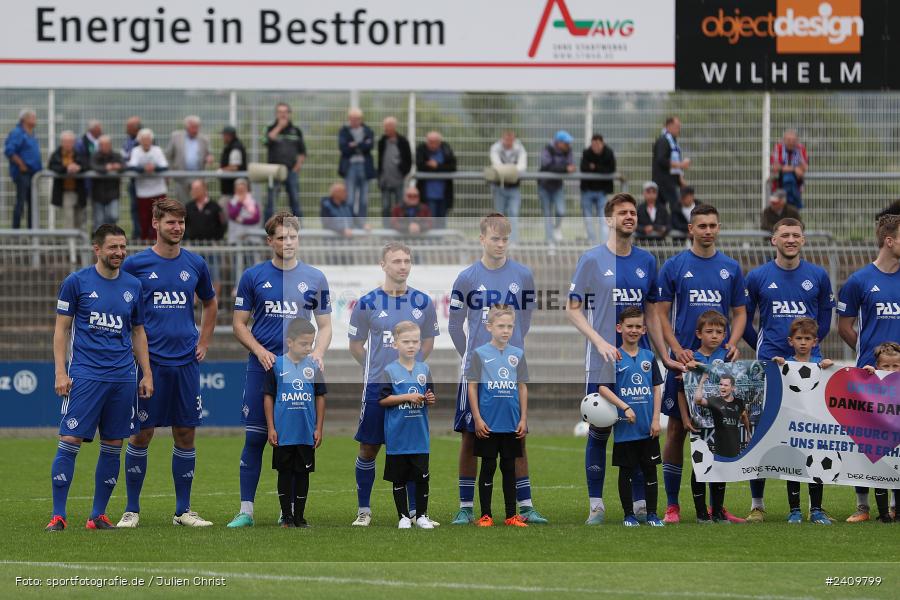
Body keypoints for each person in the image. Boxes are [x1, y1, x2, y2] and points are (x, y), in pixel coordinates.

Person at [566, 193, 674, 525]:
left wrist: (663, 355)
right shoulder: (591, 259)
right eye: (622, 212)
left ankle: (640, 505)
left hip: (637, 362)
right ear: (609, 219)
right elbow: (572, 308)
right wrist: (600, 341)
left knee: (639, 432)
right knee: (599, 431)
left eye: (633, 212)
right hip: (602, 362)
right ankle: (596, 506)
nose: (629, 216)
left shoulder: (647, 261)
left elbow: (652, 314)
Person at [116, 198, 217, 528]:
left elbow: (210, 303)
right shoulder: (136, 264)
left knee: (185, 433)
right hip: (151, 364)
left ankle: (183, 511)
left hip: (185, 362)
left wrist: (204, 341)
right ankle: (131, 510)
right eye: (171, 222)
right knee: (141, 434)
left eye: (181, 222)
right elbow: (121, 305)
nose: (177, 227)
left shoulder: (196, 264)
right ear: (155, 224)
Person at [227, 212, 332, 528]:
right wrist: (260, 351)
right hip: (263, 367)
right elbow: (238, 324)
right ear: (269, 240)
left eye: (293, 237)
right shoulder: (253, 276)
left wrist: (318, 353)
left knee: (296, 442)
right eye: (282, 237)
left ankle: (288, 510)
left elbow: (325, 326)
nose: (288, 242)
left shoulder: (315, 278)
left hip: (298, 372)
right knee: (256, 438)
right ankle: (246, 511)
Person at [46, 224, 152, 531]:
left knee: (113, 443)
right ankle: (58, 515)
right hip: (85, 375)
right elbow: (61, 329)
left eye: (123, 247)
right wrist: (60, 371)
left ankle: (98, 515)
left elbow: (138, 331)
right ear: (97, 249)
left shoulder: (133, 285)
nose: (119, 252)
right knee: (70, 439)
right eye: (113, 247)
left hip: (122, 377)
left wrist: (146, 373)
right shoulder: (76, 282)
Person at [449, 213, 545, 525]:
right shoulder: (466, 278)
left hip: (510, 371)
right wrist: (474, 359)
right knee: (470, 436)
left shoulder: (523, 275)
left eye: (505, 239)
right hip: (477, 373)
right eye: (494, 238)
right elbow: (454, 326)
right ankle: (466, 507)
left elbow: (525, 321)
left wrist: (506, 357)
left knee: (518, 434)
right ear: (482, 239)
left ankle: (525, 506)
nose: (500, 244)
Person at [657, 204, 747, 524]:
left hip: (718, 366)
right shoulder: (675, 266)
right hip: (685, 364)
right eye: (702, 226)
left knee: (720, 432)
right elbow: (661, 314)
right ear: (691, 229)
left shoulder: (730, 268)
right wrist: (676, 349)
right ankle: (672, 505)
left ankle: (716, 507)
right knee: (677, 430)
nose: (708, 230)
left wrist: (732, 342)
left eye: (713, 225)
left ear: (718, 228)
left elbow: (740, 313)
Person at [742, 217, 833, 522]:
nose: (791, 240)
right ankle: (757, 504)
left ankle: (814, 507)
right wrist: (763, 348)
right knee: (763, 433)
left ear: (803, 240)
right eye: (785, 235)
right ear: (774, 240)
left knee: (811, 435)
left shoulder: (818, 275)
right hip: (771, 366)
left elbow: (825, 319)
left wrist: (811, 348)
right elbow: (745, 319)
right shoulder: (758, 276)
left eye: (796, 235)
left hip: (809, 369)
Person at [349, 241, 439, 527]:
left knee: (410, 449)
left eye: (407, 261)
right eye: (397, 261)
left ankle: (414, 512)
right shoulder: (367, 302)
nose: (403, 266)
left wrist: (409, 372)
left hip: (410, 389)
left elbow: (428, 341)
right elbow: (355, 345)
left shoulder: (423, 302)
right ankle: (364, 510)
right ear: (383, 265)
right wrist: (380, 370)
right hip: (378, 387)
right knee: (369, 448)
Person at [837, 213, 900, 524]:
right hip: (869, 379)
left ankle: (895, 505)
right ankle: (862, 506)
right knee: (866, 443)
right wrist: (868, 357)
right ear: (889, 241)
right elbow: (844, 326)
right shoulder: (858, 281)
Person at [598, 306, 664, 527]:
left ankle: (652, 514)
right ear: (620, 328)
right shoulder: (613, 357)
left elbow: (656, 388)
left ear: (644, 330)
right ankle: (629, 515)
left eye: (638, 326)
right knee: (626, 472)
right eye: (629, 326)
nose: (633, 330)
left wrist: (656, 419)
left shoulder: (649, 357)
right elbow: (603, 388)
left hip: (648, 428)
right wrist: (624, 406)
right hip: (625, 429)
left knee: (650, 471)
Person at [466, 305, 529, 528]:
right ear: (489, 327)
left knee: (509, 468)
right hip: (488, 423)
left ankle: (511, 515)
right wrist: (477, 418)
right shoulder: (479, 354)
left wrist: (523, 419)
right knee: (488, 467)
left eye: (509, 326)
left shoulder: (517, 354)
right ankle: (486, 515)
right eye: (501, 326)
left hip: (511, 423)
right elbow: (472, 386)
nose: (505, 330)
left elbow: (522, 387)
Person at [770, 317, 834, 525]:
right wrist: (778, 367)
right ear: (791, 341)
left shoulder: (821, 364)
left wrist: (830, 368)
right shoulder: (785, 364)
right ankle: (794, 510)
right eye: (799, 338)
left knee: (818, 464)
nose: (803, 342)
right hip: (793, 426)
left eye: (807, 338)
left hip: (816, 426)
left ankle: (816, 510)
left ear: (815, 341)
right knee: (794, 466)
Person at [263, 318, 326, 528]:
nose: (308, 348)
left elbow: (320, 397)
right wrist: (271, 427)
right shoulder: (276, 365)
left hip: (305, 433)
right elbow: (268, 397)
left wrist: (318, 428)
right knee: (284, 473)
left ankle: (300, 517)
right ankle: (287, 517)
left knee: (303, 474)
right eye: (304, 344)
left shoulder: (314, 366)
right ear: (289, 342)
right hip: (284, 432)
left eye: (311, 344)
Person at [378, 321, 437, 529]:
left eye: (414, 341)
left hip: (419, 437)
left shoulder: (424, 369)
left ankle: (421, 516)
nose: (411, 345)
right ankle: (403, 516)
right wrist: (407, 397)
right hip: (398, 437)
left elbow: (429, 396)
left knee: (422, 478)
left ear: (419, 344)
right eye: (405, 341)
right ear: (395, 344)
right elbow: (383, 400)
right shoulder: (389, 370)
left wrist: (429, 399)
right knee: (399, 479)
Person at [681, 310, 731, 524]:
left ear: (725, 335)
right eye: (709, 331)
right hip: (699, 424)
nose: (714, 335)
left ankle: (717, 511)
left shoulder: (728, 357)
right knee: (700, 466)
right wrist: (685, 418)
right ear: (699, 334)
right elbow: (680, 391)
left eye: (719, 332)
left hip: (723, 424)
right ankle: (701, 512)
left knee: (720, 466)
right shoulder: (691, 359)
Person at [693, 372, 750, 523]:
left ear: (733, 388)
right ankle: (706, 513)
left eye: (726, 385)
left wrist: (749, 434)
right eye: (721, 384)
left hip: (731, 445)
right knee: (710, 474)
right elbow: (698, 400)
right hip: (715, 444)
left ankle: (717, 513)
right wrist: (702, 381)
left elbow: (744, 416)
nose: (722, 387)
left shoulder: (739, 403)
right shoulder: (715, 401)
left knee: (721, 477)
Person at [862, 342, 900, 522]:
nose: (890, 370)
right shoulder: (873, 380)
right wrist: (868, 374)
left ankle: (898, 513)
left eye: (895, 366)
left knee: (897, 474)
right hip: (878, 438)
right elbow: (859, 383)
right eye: (886, 366)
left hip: (897, 438)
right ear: (878, 366)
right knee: (880, 474)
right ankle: (883, 514)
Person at [185, 179, 226, 298]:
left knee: (214, 274)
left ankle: (215, 302)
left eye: (196, 188)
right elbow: (184, 224)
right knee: (192, 275)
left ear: (204, 189)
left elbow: (223, 224)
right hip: (194, 247)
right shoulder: (188, 207)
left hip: (211, 247)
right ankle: (193, 303)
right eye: (192, 189)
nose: (193, 191)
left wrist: (216, 239)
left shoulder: (215, 207)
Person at [265, 103, 306, 220]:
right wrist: (279, 127)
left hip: (291, 170)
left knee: (295, 200)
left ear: (289, 114)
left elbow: (302, 152)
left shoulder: (296, 131)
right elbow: (266, 141)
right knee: (271, 201)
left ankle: (298, 227)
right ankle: (268, 228)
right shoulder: (270, 128)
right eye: (280, 112)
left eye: (285, 112)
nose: (283, 114)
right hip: (274, 171)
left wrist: (297, 167)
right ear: (276, 114)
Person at [127, 128, 169, 240]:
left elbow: (164, 166)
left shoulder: (157, 150)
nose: (146, 142)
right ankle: (145, 244)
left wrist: (154, 168)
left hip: (158, 191)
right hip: (143, 192)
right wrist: (143, 169)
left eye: (148, 140)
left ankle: (159, 242)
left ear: (151, 140)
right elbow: (131, 166)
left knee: (159, 219)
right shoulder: (136, 151)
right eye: (144, 140)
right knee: (144, 221)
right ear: (139, 141)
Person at [338, 108, 376, 228]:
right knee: (350, 198)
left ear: (361, 119)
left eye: (357, 119)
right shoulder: (344, 131)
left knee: (364, 199)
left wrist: (354, 145)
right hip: (350, 167)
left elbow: (370, 146)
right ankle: (349, 224)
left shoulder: (368, 130)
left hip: (365, 167)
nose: (354, 121)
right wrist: (361, 145)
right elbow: (343, 148)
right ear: (349, 119)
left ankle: (362, 223)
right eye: (352, 119)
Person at [5, 108, 41, 229]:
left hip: (33, 174)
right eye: (33, 117)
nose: (35, 120)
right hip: (22, 173)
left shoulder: (32, 134)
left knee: (32, 204)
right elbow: (9, 151)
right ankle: (15, 233)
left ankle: (32, 232)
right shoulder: (18, 133)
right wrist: (21, 164)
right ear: (24, 119)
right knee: (20, 203)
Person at [489, 131, 527, 243]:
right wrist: (512, 170)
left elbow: (522, 167)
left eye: (511, 139)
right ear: (502, 138)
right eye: (506, 138)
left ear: (514, 139)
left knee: (513, 214)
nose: (508, 141)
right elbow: (497, 165)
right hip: (499, 187)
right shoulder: (495, 148)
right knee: (499, 215)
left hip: (514, 187)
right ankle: (498, 241)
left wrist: (506, 171)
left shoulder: (520, 148)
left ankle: (513, 242)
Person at [539, 130, 576, 245]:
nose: (568, 145)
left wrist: (565, 168)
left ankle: (557, 228)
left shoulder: (568, 150)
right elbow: (547, 166)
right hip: (544, 186)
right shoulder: (547, 150)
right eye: (566, 143)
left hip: (557, 186)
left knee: (561, 211)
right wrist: (564, 169)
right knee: (547, 214)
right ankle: (550, 242)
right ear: (559, 142)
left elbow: (571, 165)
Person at [166, 116, 212, 204]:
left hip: (198, 177)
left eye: (197, 127)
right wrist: (170, 170)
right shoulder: (176, 137)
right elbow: (168, 155)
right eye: (193, 127)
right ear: (186, 127)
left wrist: (209, 157)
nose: (195, 130)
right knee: (183, 204)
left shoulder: (204, 139)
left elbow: (209, 154)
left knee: (199, 203)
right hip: (181, 177)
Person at [48, 131, 89, 230]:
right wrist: (66, 169)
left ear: (74, 142)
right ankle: (70, 239)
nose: (68, 144)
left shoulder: (79, 154)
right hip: (65, 191)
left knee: (80, 219)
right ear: (61, 142)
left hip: (79, 191)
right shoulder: (56, 155)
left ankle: (80, 239)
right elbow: (52, 166)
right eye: (66, 142)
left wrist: (78, 168)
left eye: (70, 142)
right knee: (69, 218)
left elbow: (87, 165)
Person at [580, 134, 616, 245]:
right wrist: (601, 169)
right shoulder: (586, 153)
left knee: (604, 219)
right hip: (587, 190)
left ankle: (604, 245)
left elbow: (611, 169)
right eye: (593, 145)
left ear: (602, 143)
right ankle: (593, 243)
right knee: (588, 219)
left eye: (598, 144)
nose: (595, 147)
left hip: (602, 192)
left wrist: (595, 167)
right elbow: (584, 168)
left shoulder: (608, 153)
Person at [416, 131, 456, 229]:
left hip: (444, 194)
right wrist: (441, 168)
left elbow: (452, 167)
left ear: (440, 142)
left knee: (441, 221)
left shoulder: (446, 149)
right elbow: (420, 166)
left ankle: (440, 238)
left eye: (435, 142)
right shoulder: (421, 149)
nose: (432, 145)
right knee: (429, 222)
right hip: (427, 194)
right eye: (430, 142)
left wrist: (437, 166)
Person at [377, 116, 413, 229]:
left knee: (399, 206)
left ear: (394, 127)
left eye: (388, 126)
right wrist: (380, 176)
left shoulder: (403, 141)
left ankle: (399, 228)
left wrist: (404, 172)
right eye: (385, 126)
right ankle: (386, 229)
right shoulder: (382, 141)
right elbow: (380, 160)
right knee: (385, 206)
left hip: (398, 179)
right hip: (385, 179)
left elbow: (409, 160)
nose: (386, 129)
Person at [652, 116, 690, 216]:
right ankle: (676, 224)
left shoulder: (673, 142)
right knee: (675, 207)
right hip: (664, 182)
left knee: (661, 208)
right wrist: (681, 165)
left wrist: (680, 178)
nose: (679, 129)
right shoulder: (663, 141)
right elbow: (661, 160)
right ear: (668, 126)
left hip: (671, 181)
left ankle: (666, 224)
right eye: (677, 126)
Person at [90, 135, 124, 228]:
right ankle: (100, 236)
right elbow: (93, 166)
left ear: (110, 145)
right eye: (103, 145)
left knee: (114, 216)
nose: (105, 147)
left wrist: (119, 167)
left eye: (107, 145)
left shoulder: (116, 155)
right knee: (99, 220)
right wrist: (105, 168)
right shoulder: (95, 156)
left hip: (113, 192)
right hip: (98, 194)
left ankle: (109, 233)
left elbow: (124, 165)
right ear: (100, 146)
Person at [771, 129, 808, 209]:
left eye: (793, 140)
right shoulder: (778, 148)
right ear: (784, 140)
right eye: (788, 140)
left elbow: (804, 168)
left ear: (797, 141)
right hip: (780, 183)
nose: (791, 142)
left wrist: (785, 168)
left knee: (789, 178)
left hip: (796, 182)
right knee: (788, 177)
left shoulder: (800, 148)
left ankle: (790, 204)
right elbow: (775, 167)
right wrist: (794, 169)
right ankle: (796, 203)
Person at [122, 116, 142, 238]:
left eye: (128, 127)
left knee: (143, 209)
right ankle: (136, 233)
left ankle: (142, 234)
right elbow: (125, 157)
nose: (126, 129)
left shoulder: (143, 139)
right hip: (133, 181)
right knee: (134, 208)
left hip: (143, 181)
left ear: (135, 128)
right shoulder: (128, 140)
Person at [226, 178, 261, 245]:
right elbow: (232, 215)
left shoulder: (253, 202)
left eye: (243, 190)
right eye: (239, 190)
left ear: (247, 189)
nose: (241, 192)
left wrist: (242, 221)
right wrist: (239, 203)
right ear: (235, 190)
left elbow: (256, 218)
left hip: (252, 238)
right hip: (236, 238)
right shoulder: (232, 202)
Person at [219, 125, 247, 200]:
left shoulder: (235, 148)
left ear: (229, 135)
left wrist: (221, 171)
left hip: (232, 191)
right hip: (231, 190)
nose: (222, 137)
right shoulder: (232, 146)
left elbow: (234, 167)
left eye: (224, 135)